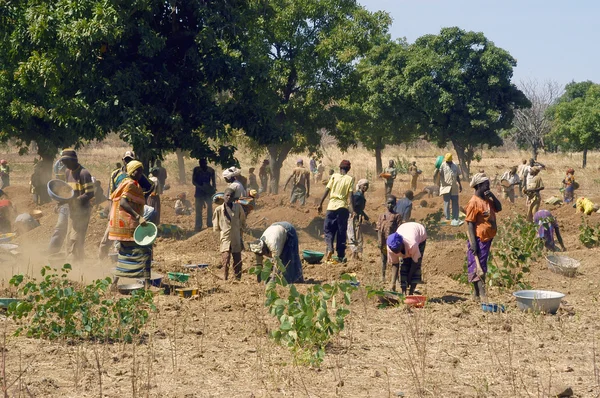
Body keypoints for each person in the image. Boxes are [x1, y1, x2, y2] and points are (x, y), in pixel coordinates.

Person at [99, 151, 154, 259]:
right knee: (111, 239)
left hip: (126, 213)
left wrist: (140, 197)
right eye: (126, 159)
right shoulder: (120, 177)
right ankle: (103, 261)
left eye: (130, 160)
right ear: (123, 160)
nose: (128, 161)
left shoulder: (137, 177)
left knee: (122, 239)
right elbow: (112, 195)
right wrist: (110, 211)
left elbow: (150, 186)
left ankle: (123, 262)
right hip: (120, 212)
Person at [108, 160, 153, 285]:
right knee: (145, 251)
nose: (140, 173)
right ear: (132, 171)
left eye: (141, 171)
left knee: (125, 252)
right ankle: (147, 284)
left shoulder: (124, 182)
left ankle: (114, 283)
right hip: (128, 223)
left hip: (120, 224)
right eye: (138, 170)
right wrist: (138, 217)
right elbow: (123, 203)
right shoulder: (131, 184)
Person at [50, 149, 95, 261]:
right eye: (63, 162)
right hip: (72, 211)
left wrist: (76, 201)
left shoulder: (84, 173)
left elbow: (90, 193)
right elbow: (67, 192)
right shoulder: (67, 172)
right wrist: (60, 203)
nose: (64, 164)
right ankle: (76, 263)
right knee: (70, 238)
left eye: (66, 161)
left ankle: (74, 265)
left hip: (82, 212)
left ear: (74, 160)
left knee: (75, 239)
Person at [465, 173, 502, 302]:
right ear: (479, 186)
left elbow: (499, 208)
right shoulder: (473, 202)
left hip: (487, 238)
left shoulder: (487, 200)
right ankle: (482, 294)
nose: (488, 187)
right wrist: (473, 243)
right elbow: (470, 223)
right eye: (486, 185)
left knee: (481, 264)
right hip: (479, 238)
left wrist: (492, 196)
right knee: (478, 265)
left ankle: (476, 295)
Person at [317, 160, 354, 262]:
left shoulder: (334, 176)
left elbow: (327, 190)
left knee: (328, 230)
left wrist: (320, 203)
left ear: (339, 167)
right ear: (348, 169)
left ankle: (329, 248)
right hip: (343, 208)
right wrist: (353, 211)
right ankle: (341, 256)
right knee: (341, 232)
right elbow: (351, 197)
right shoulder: (350, 179)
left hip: (331, 207)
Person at [213, 188, 246, 280]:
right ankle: (225, 277)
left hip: (236, 237)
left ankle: (238, 278)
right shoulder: (219, 210)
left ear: (233, 198)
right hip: (225, 238)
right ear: (223, 196)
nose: (228, 197)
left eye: (231, 196)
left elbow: (243, 220)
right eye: (227, 195)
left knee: (237, 260)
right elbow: (216, 226)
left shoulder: (238, 207)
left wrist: (241, 234)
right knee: (225, 259)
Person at [387, 222, 427, 295]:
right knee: (404, 266)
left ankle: (411, 292)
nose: (396, 253)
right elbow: (395, 264)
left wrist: (409, 277)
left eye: (398, 250)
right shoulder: (390, 247)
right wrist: (392, 284)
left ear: (402, 244)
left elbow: (415, 262)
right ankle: (404, 292)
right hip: (405, 229)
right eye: (395, 251)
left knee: (416, 268)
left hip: (420, 234)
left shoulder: (412, 244)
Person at [377, 195, 403, 282]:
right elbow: (379, 229)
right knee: (383, 259)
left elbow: (400, 230)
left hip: (393, 243)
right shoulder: (381, 216)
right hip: (384, 242)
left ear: (395, 204)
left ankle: (396, 278)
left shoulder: (397, 216)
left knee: (395, 261)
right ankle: (382, 276)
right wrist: (379, 240)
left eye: (392, 203)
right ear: (385, 204)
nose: (390, 205)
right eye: (388, 203)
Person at [192, 158, 217, 232]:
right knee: (198, 209)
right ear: (199, 164)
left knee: (210, 208)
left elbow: (214, 182)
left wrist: (213, 189)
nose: (203, 165)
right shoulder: (196, 170)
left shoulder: (211, 170)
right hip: (199, 192)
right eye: (201, 164)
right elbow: (193, 181)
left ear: (206, 163)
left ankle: (210, 224)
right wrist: (201, 187)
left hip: (208, 192)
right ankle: (198, 226)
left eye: (204, 163)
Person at [438, 153, 462, 226]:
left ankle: (455, 218)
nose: (447, 162)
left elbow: (457, 176)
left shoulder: (455, 165)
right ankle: (447, 218)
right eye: (447, 161)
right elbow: (439, 175)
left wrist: (460, 185)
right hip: (446, 187)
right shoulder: (442, 165)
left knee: (455, 202)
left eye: (449, 161)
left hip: (454, 187)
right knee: (446, 203)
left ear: (451, 160)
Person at [348, 179, 369, 260]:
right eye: (364, 185)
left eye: (367, 185)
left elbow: (359, 208)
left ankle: (355, 254)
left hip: (357, 217)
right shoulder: (358, 195)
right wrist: (354, 214)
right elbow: (352, 206)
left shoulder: (361, 195)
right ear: (360, 186)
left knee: (357, 235)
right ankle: (354, 254)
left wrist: (364, 215)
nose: (366, 187)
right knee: (354, 235)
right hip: (354, 218)